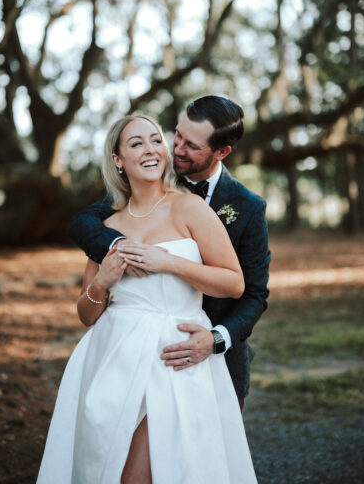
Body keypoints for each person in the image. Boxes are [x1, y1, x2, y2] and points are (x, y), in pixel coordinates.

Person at [37, 115, 257, 484]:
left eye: (156, 140)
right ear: (118, 159)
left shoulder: (189, 208)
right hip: (113, 360)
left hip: (173, 356)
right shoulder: (106, 228)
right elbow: (86, 313)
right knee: (103, 466)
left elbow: (234, 283)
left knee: (147, 471)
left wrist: (169, 262)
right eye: (136, 143)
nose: (151, 149)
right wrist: (104, 280)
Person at [68, 96, 271, 410]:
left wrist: (216, 339)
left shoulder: (246, 207)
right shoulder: (144, 181)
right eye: (176, 136)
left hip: (207, 355)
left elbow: (253, 292)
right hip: (124, 353)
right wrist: (116, 248)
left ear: (221, 152)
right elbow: (82, 221)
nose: (177, 149)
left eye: (191, 145)